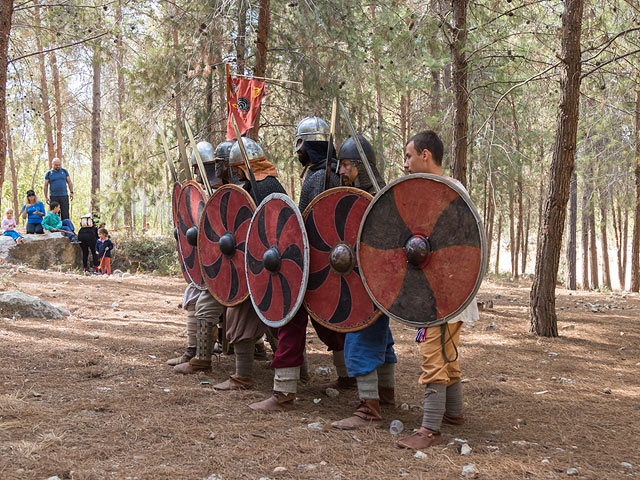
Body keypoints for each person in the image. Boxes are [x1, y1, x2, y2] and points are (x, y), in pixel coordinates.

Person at [249, 116, 349, 413]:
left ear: (311, 145)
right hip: (329, 264)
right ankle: (348, 377)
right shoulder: (328, 173)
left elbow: (315, 225)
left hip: (316, 263)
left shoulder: (321, 177)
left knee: (291, 321)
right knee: (328, 323)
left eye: (300, 144)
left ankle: (283, 393)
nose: (297, 151)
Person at [396, 130, 480, 450]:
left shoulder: (450, 191)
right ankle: (454, 414)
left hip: (446, 291)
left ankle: (429, 428)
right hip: (439, 289)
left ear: (425, 155)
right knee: (447, 353)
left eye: (409, 156)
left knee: (434, 353)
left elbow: (458, 246)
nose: (406, 163)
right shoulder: (434, 189)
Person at [330, 135, 397, 430]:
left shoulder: (377, 197)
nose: (341, 171)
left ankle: (369, 410)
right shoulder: (363, 192)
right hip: (370, 283)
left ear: (360, 165)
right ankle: (385, 395)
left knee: (359, 337)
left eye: (346, 165)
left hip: (373, 283)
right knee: (382, 339)